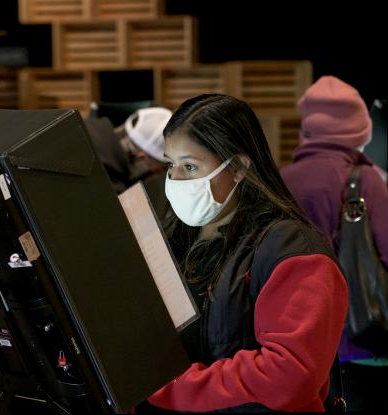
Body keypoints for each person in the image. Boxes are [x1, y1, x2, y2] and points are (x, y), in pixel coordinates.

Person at [138, 93, 348, 413]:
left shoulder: (293, 251)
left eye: (190, 166)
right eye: (170, 164)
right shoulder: (175, 236)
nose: (175, 179)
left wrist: (175, 388)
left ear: (237, 168)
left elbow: (290, 373)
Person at [280, 76, 388, 412]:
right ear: (358, 127)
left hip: (297, 348)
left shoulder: (280, 180)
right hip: (359, 346)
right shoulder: (365, 180)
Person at [85, 106, 173, 220]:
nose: (153, 176)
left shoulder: (85, 126)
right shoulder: (106, 184)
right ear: (141, 156)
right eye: (157, 170)